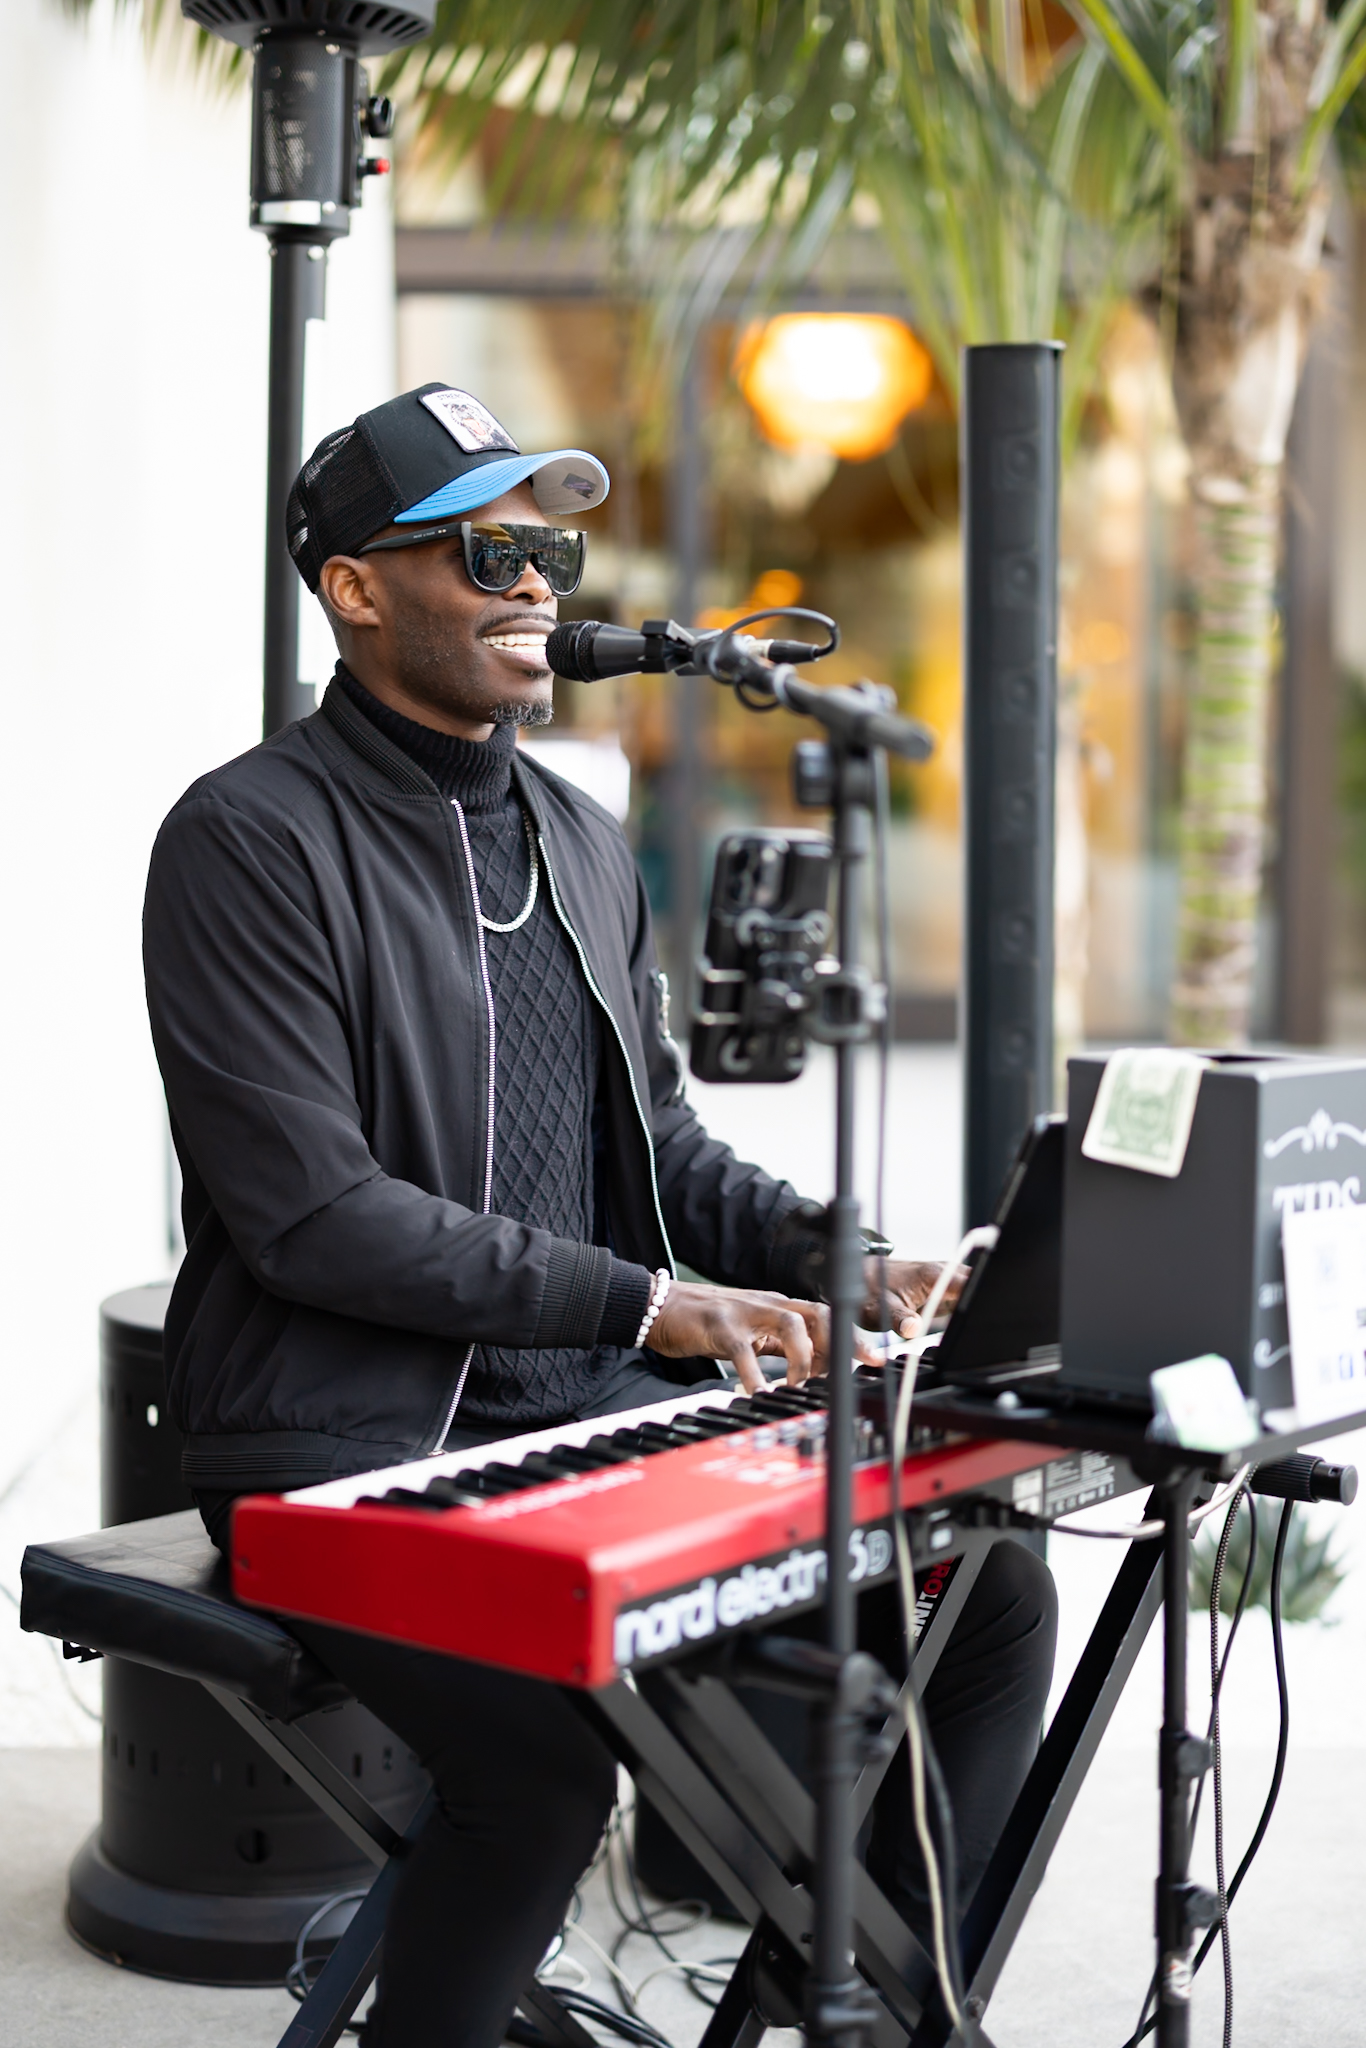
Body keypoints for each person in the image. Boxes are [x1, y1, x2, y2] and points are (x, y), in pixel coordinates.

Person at [143, 383, 1056, 2048]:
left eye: (548, 554)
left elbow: (663, 1146)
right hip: (343, 1435)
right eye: (486, 552)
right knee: (543, 1774)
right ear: (355, 588)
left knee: (984, 1598)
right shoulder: (247, 839)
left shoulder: (574, 834)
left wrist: (844, 1263)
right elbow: (315, 1216)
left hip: (577, 1408)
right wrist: (652, 1305)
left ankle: (858, 2008)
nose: (535, 586)